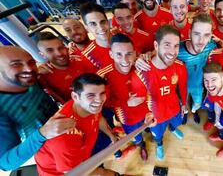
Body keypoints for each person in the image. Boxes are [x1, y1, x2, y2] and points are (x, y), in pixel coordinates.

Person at [0, 46, 75, 171]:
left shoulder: (30, 79)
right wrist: (43, 134)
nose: (29, 69)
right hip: (52, 156)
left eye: (31, 62)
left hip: (72, 133)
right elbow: (6, 163)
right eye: (16, 65)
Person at [135, 14, 218, 127]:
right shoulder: (179, 49)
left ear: (211, 36)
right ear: (189, 34)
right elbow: (161, 53)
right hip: (179, 85)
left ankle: (194, 112)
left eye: (206, 35)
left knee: (197, 103)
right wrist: (142, 57)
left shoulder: (211, 46)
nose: (201, 40)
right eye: (196, 34)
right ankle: (185, 113)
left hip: (198, 86)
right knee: (182, 102)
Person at [35, 73, 119, 176]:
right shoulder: (65, 134)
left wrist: (110, 134)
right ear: (75, 96)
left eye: (102, 93)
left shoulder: (88, 106)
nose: (99, 100)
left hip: (80, 159)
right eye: (91, 95)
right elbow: (75, 173)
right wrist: (107, 173)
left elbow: (98, 117)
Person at [130, 25, 187, 161]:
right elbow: (139, 101)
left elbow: (183, 87)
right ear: (156, 45)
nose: (173, 51)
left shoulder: (180, 66)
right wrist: (146, 116)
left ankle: (172, 129)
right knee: (158, 135)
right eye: (167, 45)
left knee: (175, 124)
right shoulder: (141, 73)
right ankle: (160, 144)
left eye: (176, 46)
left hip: (174, 109)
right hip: (156, 115)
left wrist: (184, 104)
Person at [97, 33, 150, 161]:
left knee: (147, 126)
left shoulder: (140, 65)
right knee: (136, 136)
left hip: (146, 111)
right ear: (111, 54)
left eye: (129, 54)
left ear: (135, 53)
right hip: (127, 117)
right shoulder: (104, 75)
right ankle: (141, 144)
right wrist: (126, 103)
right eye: (119, 54)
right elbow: (104, 103)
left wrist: (147, 55)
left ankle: (147, 132)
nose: (125, 60)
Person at [36, 31, 94, 104]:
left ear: (66, 47)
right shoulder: (42, 76)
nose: (59, 53)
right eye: (50, 50)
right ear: (42, 55)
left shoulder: (82, 60)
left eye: (60, 48)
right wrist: (35, 73)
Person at [79, 2, 113, 69]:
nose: (101, 28)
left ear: (108, 22)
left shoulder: (124, 38)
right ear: (87, 28)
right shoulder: (87, 57)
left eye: (102, 22)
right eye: (93, 24)